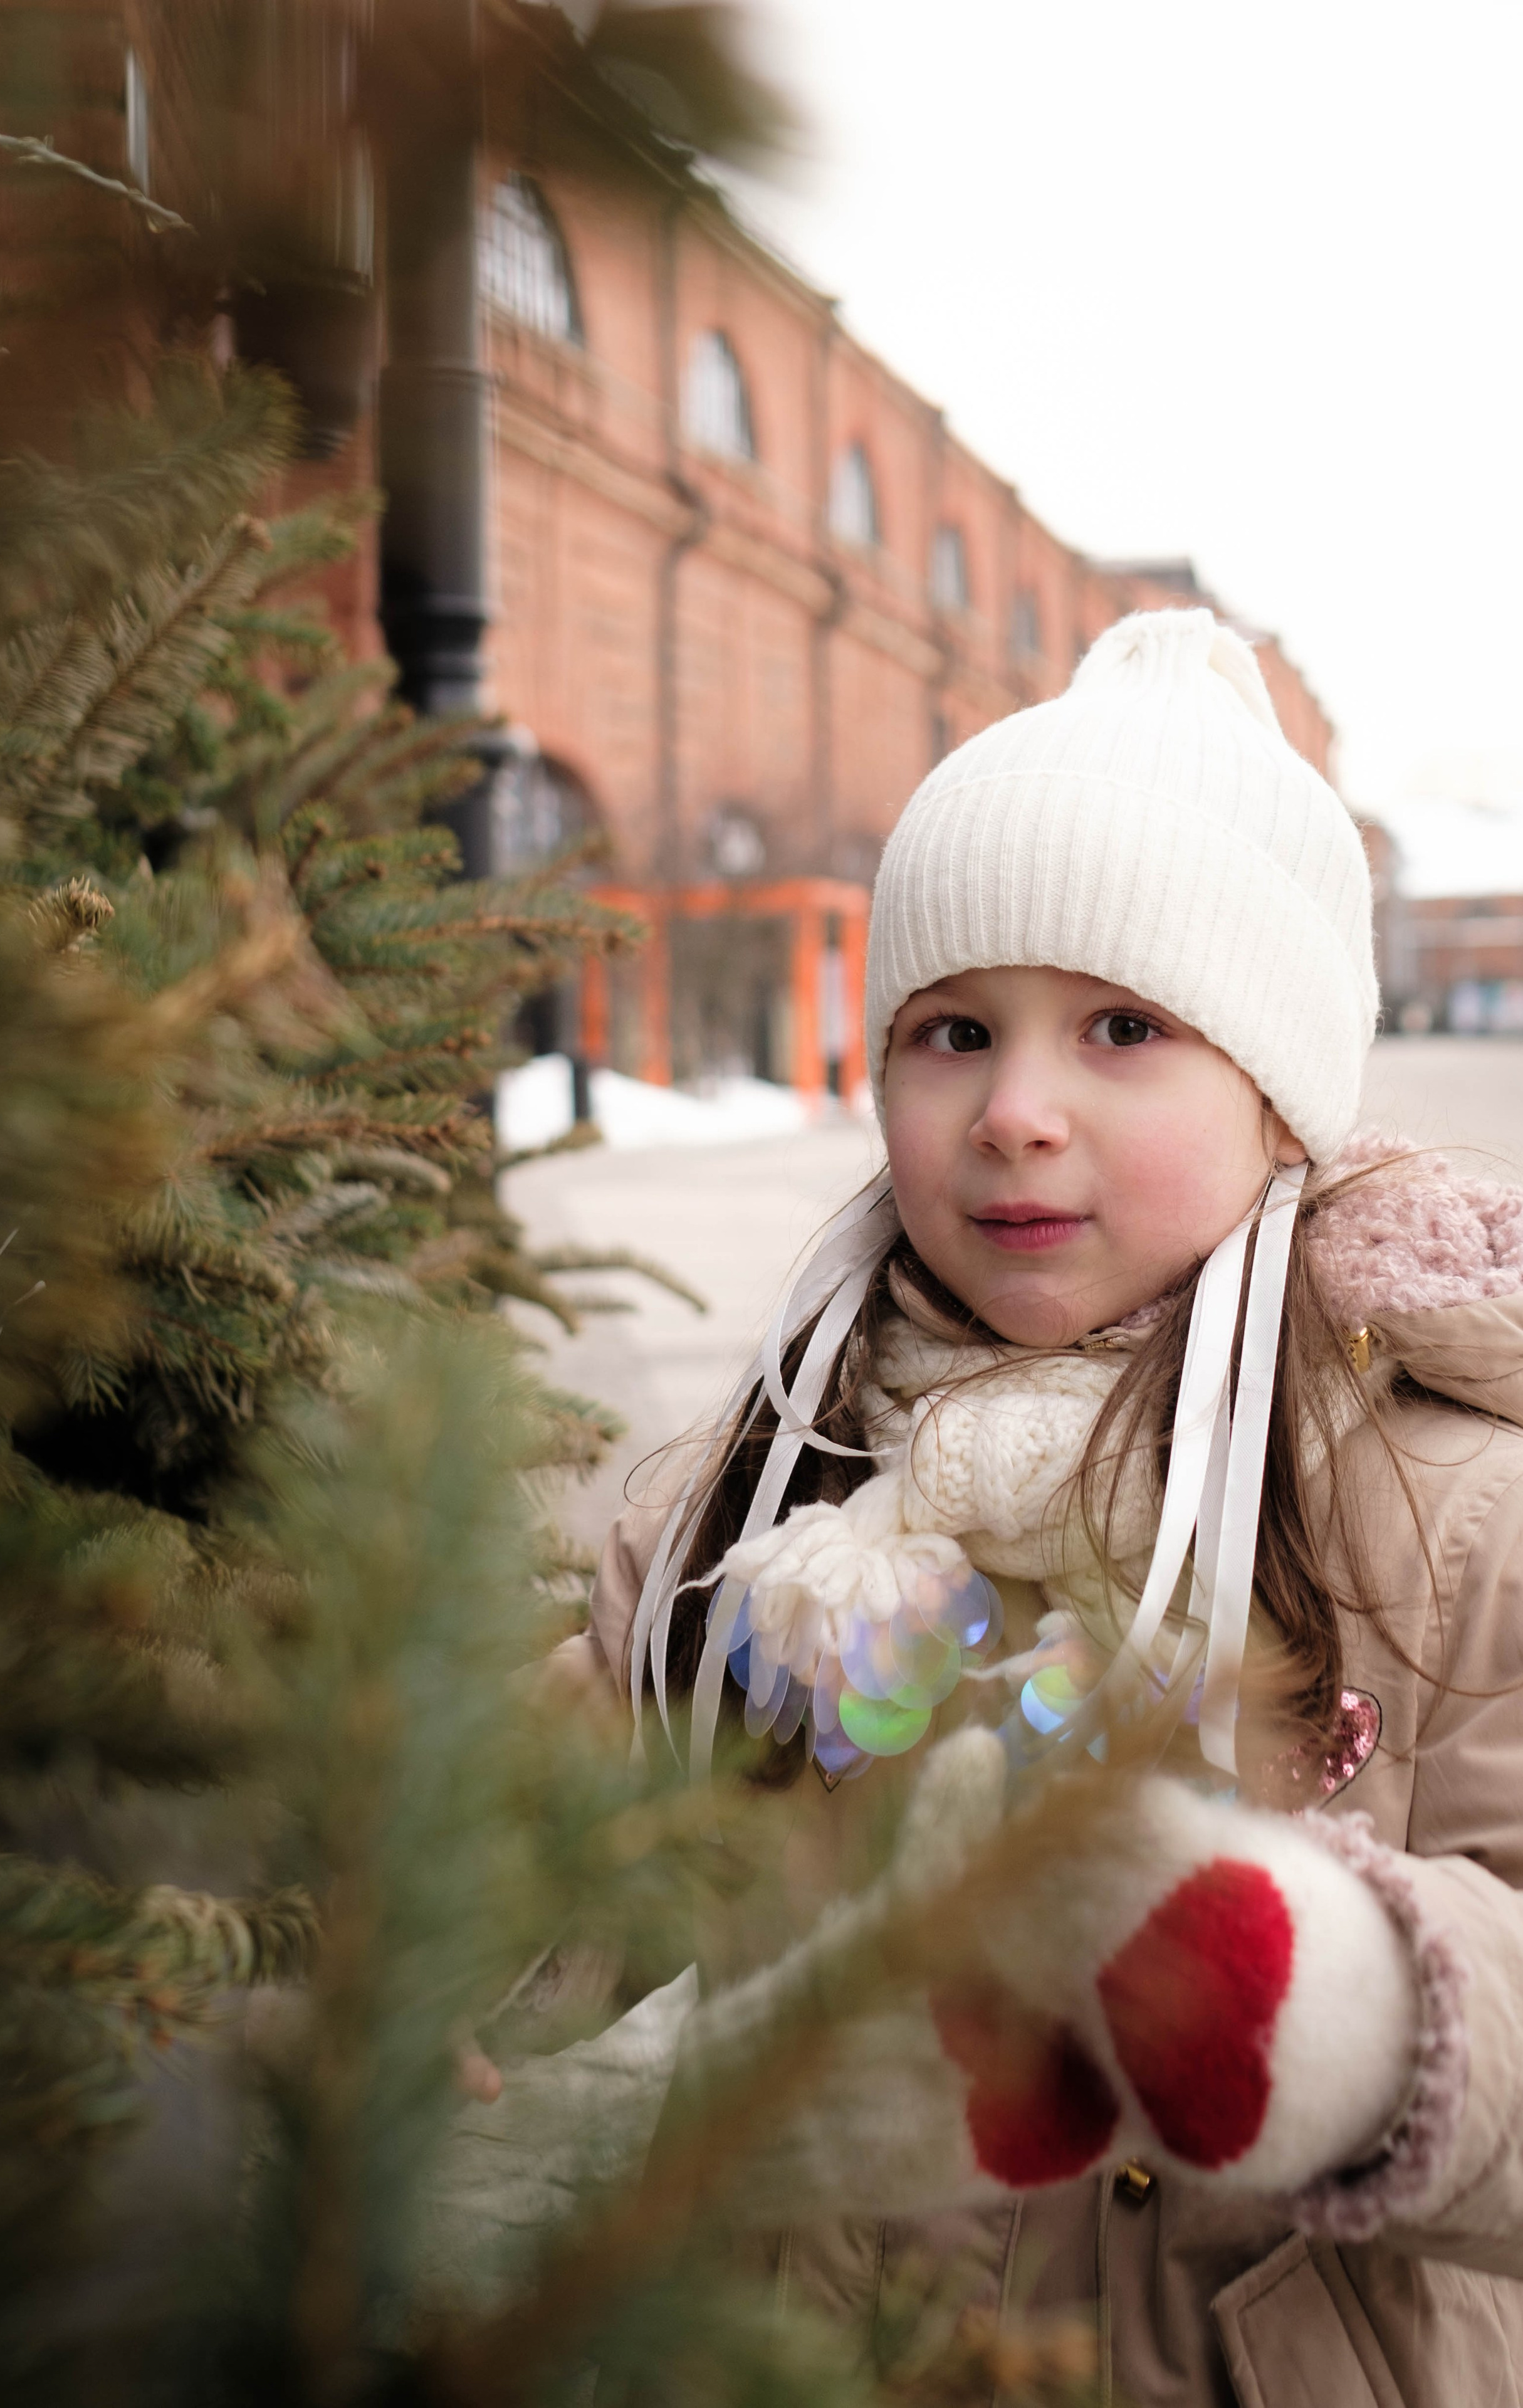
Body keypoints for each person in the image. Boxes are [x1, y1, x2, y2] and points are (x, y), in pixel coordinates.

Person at [510, 609, 1523, 2403]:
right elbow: (535, 1851)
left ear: (1280, 1105)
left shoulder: (1461, 1524)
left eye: (1124, 1026)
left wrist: (1352, 2010)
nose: (1017, 1112)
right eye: (955, 1030)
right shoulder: (752, 1503)